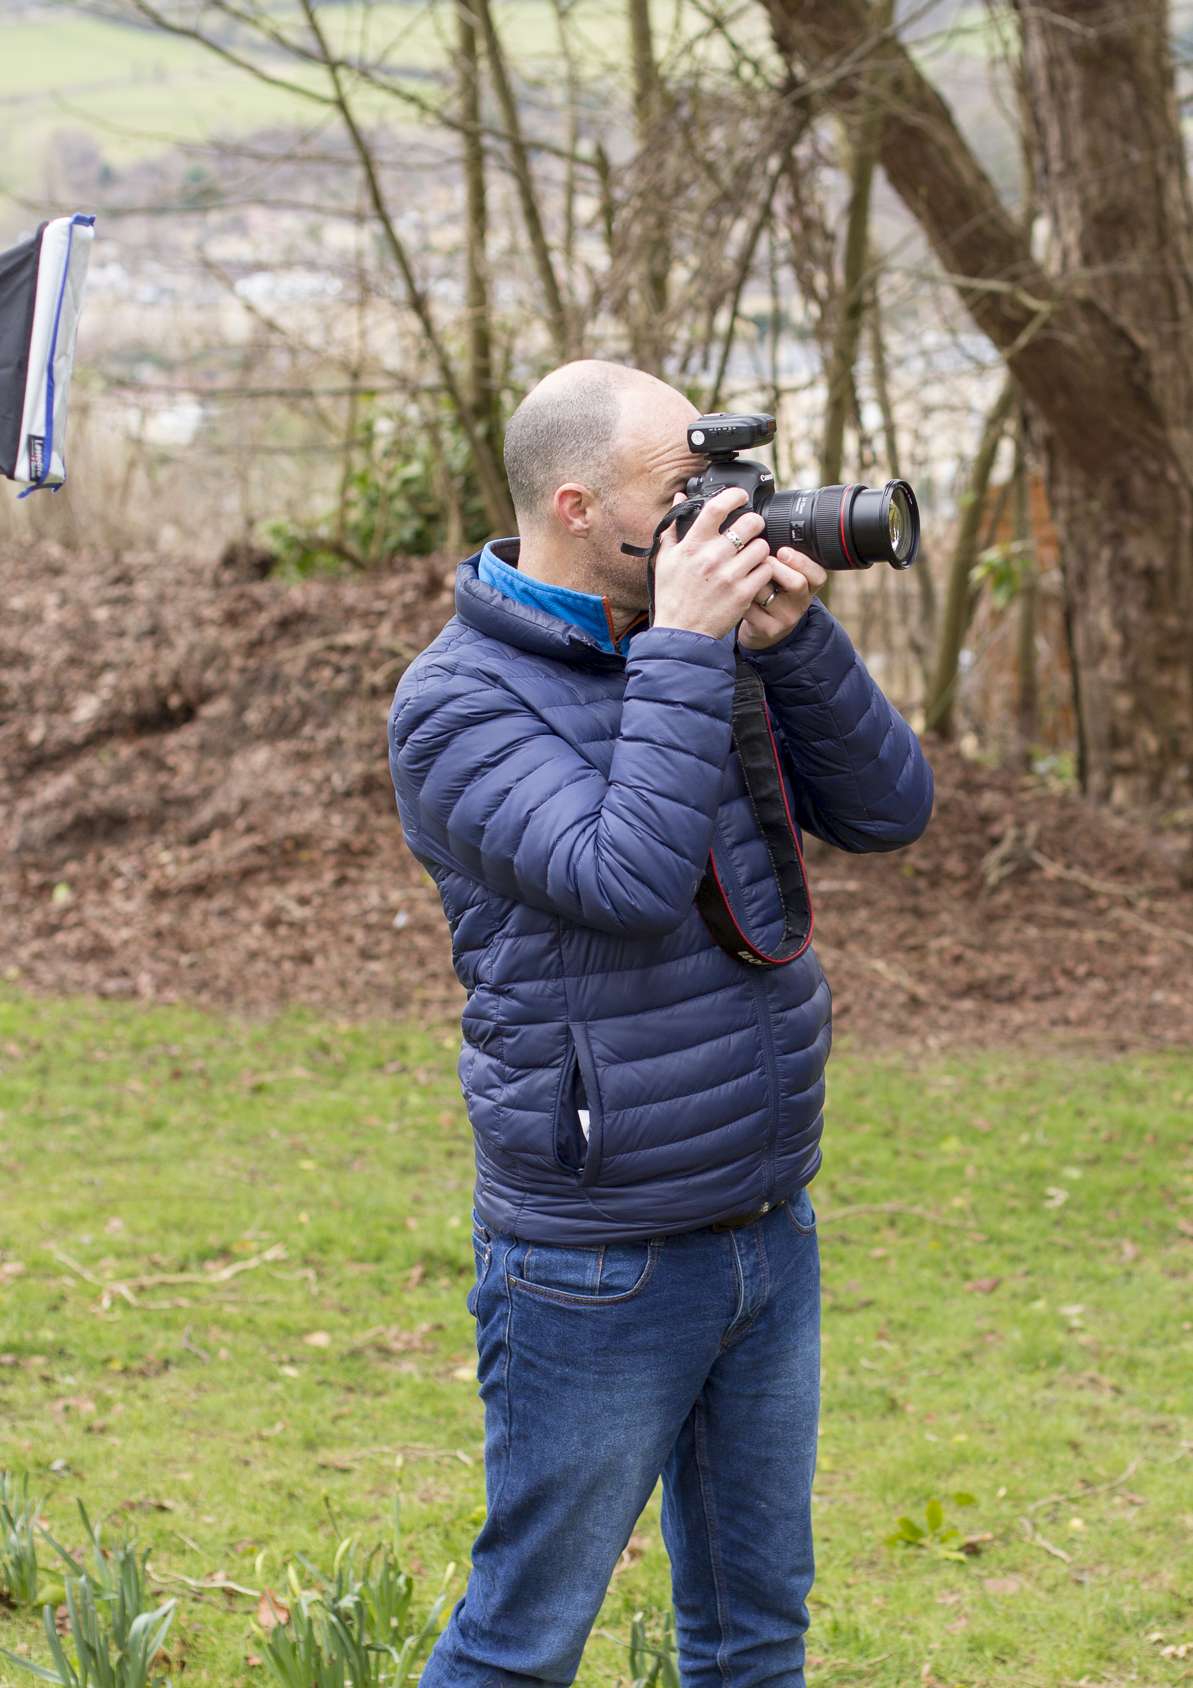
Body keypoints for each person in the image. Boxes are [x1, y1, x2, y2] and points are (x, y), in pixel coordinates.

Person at [388, 360, 933, 1686]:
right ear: (576, 506)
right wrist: (690, 649)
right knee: (523, 1644)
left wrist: (789, 643)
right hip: (599, 1256)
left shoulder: (682, 647)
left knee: (756, 1638)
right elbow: (625, 881)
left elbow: (891, 810)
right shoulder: (457, 705)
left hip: (764, 1220)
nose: (725, 512)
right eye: (685, 490)